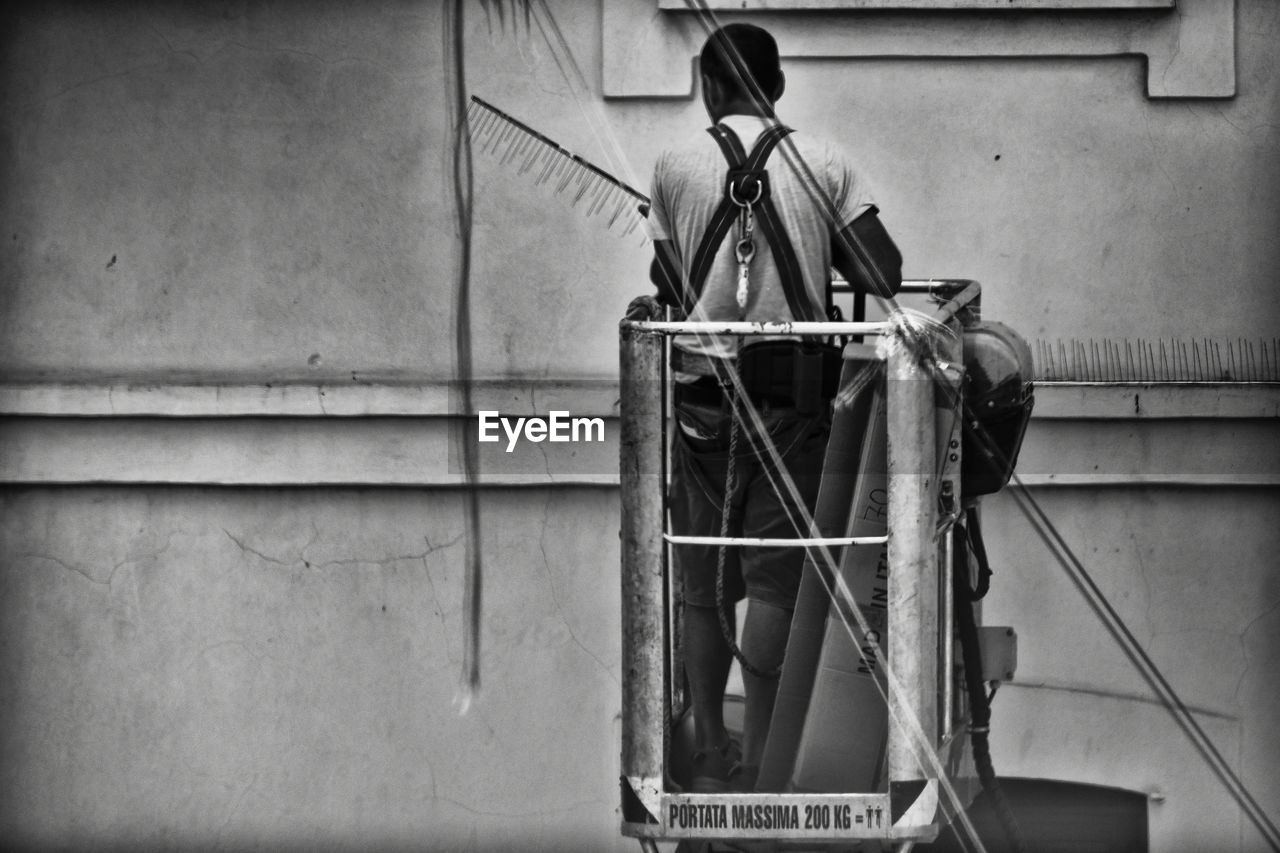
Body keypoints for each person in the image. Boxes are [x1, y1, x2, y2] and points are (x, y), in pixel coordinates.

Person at [644, 22, 903, 793]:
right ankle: (758, 756)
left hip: (700, 404)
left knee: (704, 573)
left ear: (710, 87)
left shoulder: (672, 164)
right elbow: (883, 270)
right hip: (789, 406)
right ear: (777, 87)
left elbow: (665, 278)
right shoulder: (821, 160)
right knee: (770, 581)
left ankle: (705, 748)